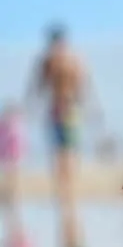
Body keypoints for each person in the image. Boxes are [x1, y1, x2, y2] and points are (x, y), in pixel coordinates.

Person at [25, 24, 101, 206]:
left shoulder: (48, 60)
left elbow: (36, 87)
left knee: (61, 154)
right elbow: (84, 87)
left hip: (57, 109)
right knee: (69, 152)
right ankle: (70, 193)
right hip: (71, 109)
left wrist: (29, 107)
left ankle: (65, 193)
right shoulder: (73, 59)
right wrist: (92, 110)